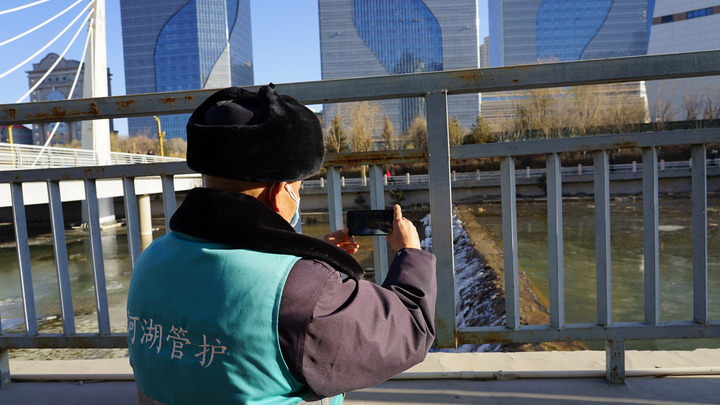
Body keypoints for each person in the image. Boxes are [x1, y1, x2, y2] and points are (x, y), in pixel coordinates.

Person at [126, 85, 437, 405]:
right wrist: (411, 254)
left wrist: (302, 262)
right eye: (298, 187)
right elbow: (408, 330)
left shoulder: (151, 258)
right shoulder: (302, 292)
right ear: (280, 193)